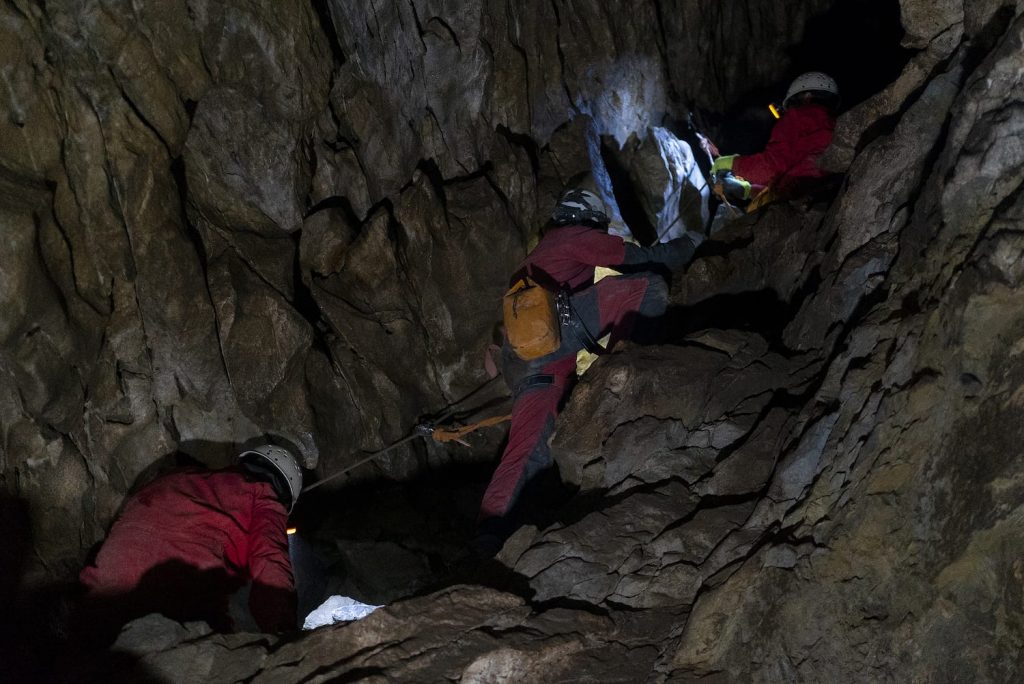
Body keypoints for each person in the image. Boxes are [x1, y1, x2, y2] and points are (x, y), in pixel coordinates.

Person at [475, 189, 702, 555]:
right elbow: (636, 257)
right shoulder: (573, 236)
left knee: (526, 447)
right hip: (557, 339)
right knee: (644, 286)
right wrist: (690, 244)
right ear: (589, 219)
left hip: (523, 363)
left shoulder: (535, 258)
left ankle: (490, 533)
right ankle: (626, 362)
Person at [77, 443, 303, 640]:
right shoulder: (265, 499)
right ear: (284, 494)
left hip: (100, 590)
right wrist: (282, 631)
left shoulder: (183, 475)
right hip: (171, 603)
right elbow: (270, 560)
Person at [711, 71, 840, 206]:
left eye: (792, 104)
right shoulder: (833, 125)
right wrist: (747, 190)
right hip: (822, 197)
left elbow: (773, 166)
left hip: (800, 200)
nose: (788, 111)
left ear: (806, 97)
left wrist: (732, 163)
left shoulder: (799, 116)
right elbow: (785, 178)